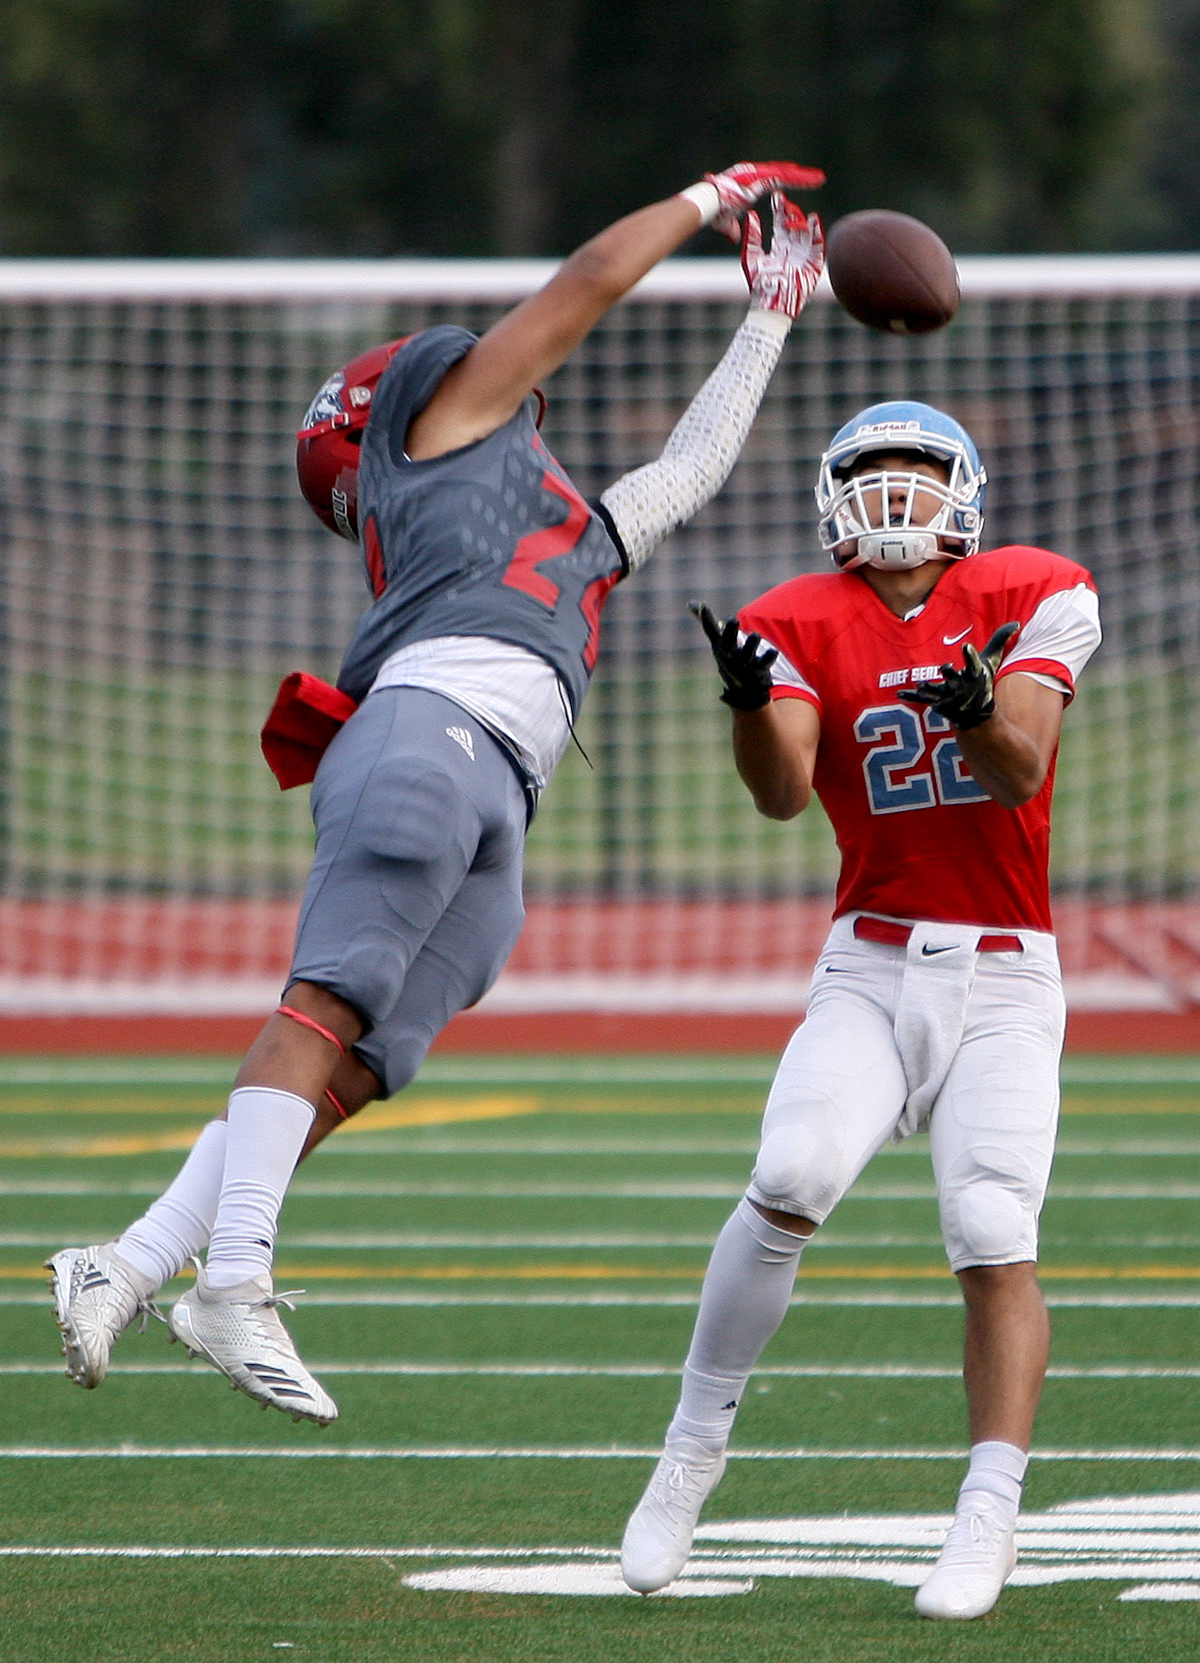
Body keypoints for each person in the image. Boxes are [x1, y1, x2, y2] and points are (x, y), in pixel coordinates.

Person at [46, 160, 827, 1429]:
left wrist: (770, 315)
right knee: (325, 1000)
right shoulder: (440, 436)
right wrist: (711, 197)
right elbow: (585, 284)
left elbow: (687, 472)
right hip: (430, 730)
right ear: (393, 422)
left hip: (500, 786)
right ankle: (231, 1282)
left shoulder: (547, 507)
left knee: (367, 1055)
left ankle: (128, 1264)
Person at [620, 401, 1101, 1620]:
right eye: (870, 471)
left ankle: (988, 1516)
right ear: (833, 495)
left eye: (914, 471)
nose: (893, 493)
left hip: (1003, 966)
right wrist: (746, 704)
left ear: (966, 492)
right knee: (789, 1176)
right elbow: (784, 792)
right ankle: (689, 1454)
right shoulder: (793, 617)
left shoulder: (1035, 589)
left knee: (994, 1233)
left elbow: (1020, 768)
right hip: (872, 960)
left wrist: (973, 703)